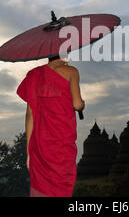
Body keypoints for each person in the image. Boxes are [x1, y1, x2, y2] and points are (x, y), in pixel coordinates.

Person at [17, 56, 85, 197]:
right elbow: (77, 105)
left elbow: (30, 116)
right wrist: (82, 104)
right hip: (61, 144)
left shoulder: (33, 75)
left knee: (40, 189)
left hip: (39, 146)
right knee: (61, 188)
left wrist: (29, 151)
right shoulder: (71, 71)